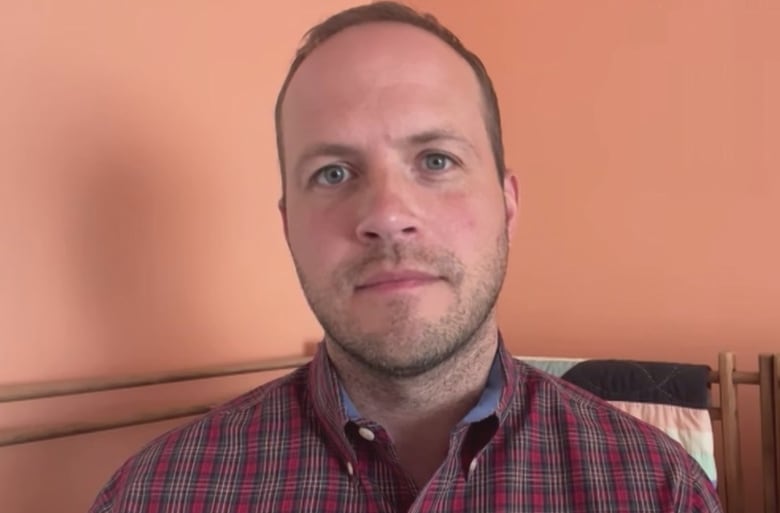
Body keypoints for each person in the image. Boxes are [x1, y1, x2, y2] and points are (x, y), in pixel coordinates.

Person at [89, 2, 722, 512]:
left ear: (507, 205)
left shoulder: (660, 490)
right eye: (334, 173)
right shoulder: (154, 494)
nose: (388, 215)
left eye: (437, 161)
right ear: (288, 227)